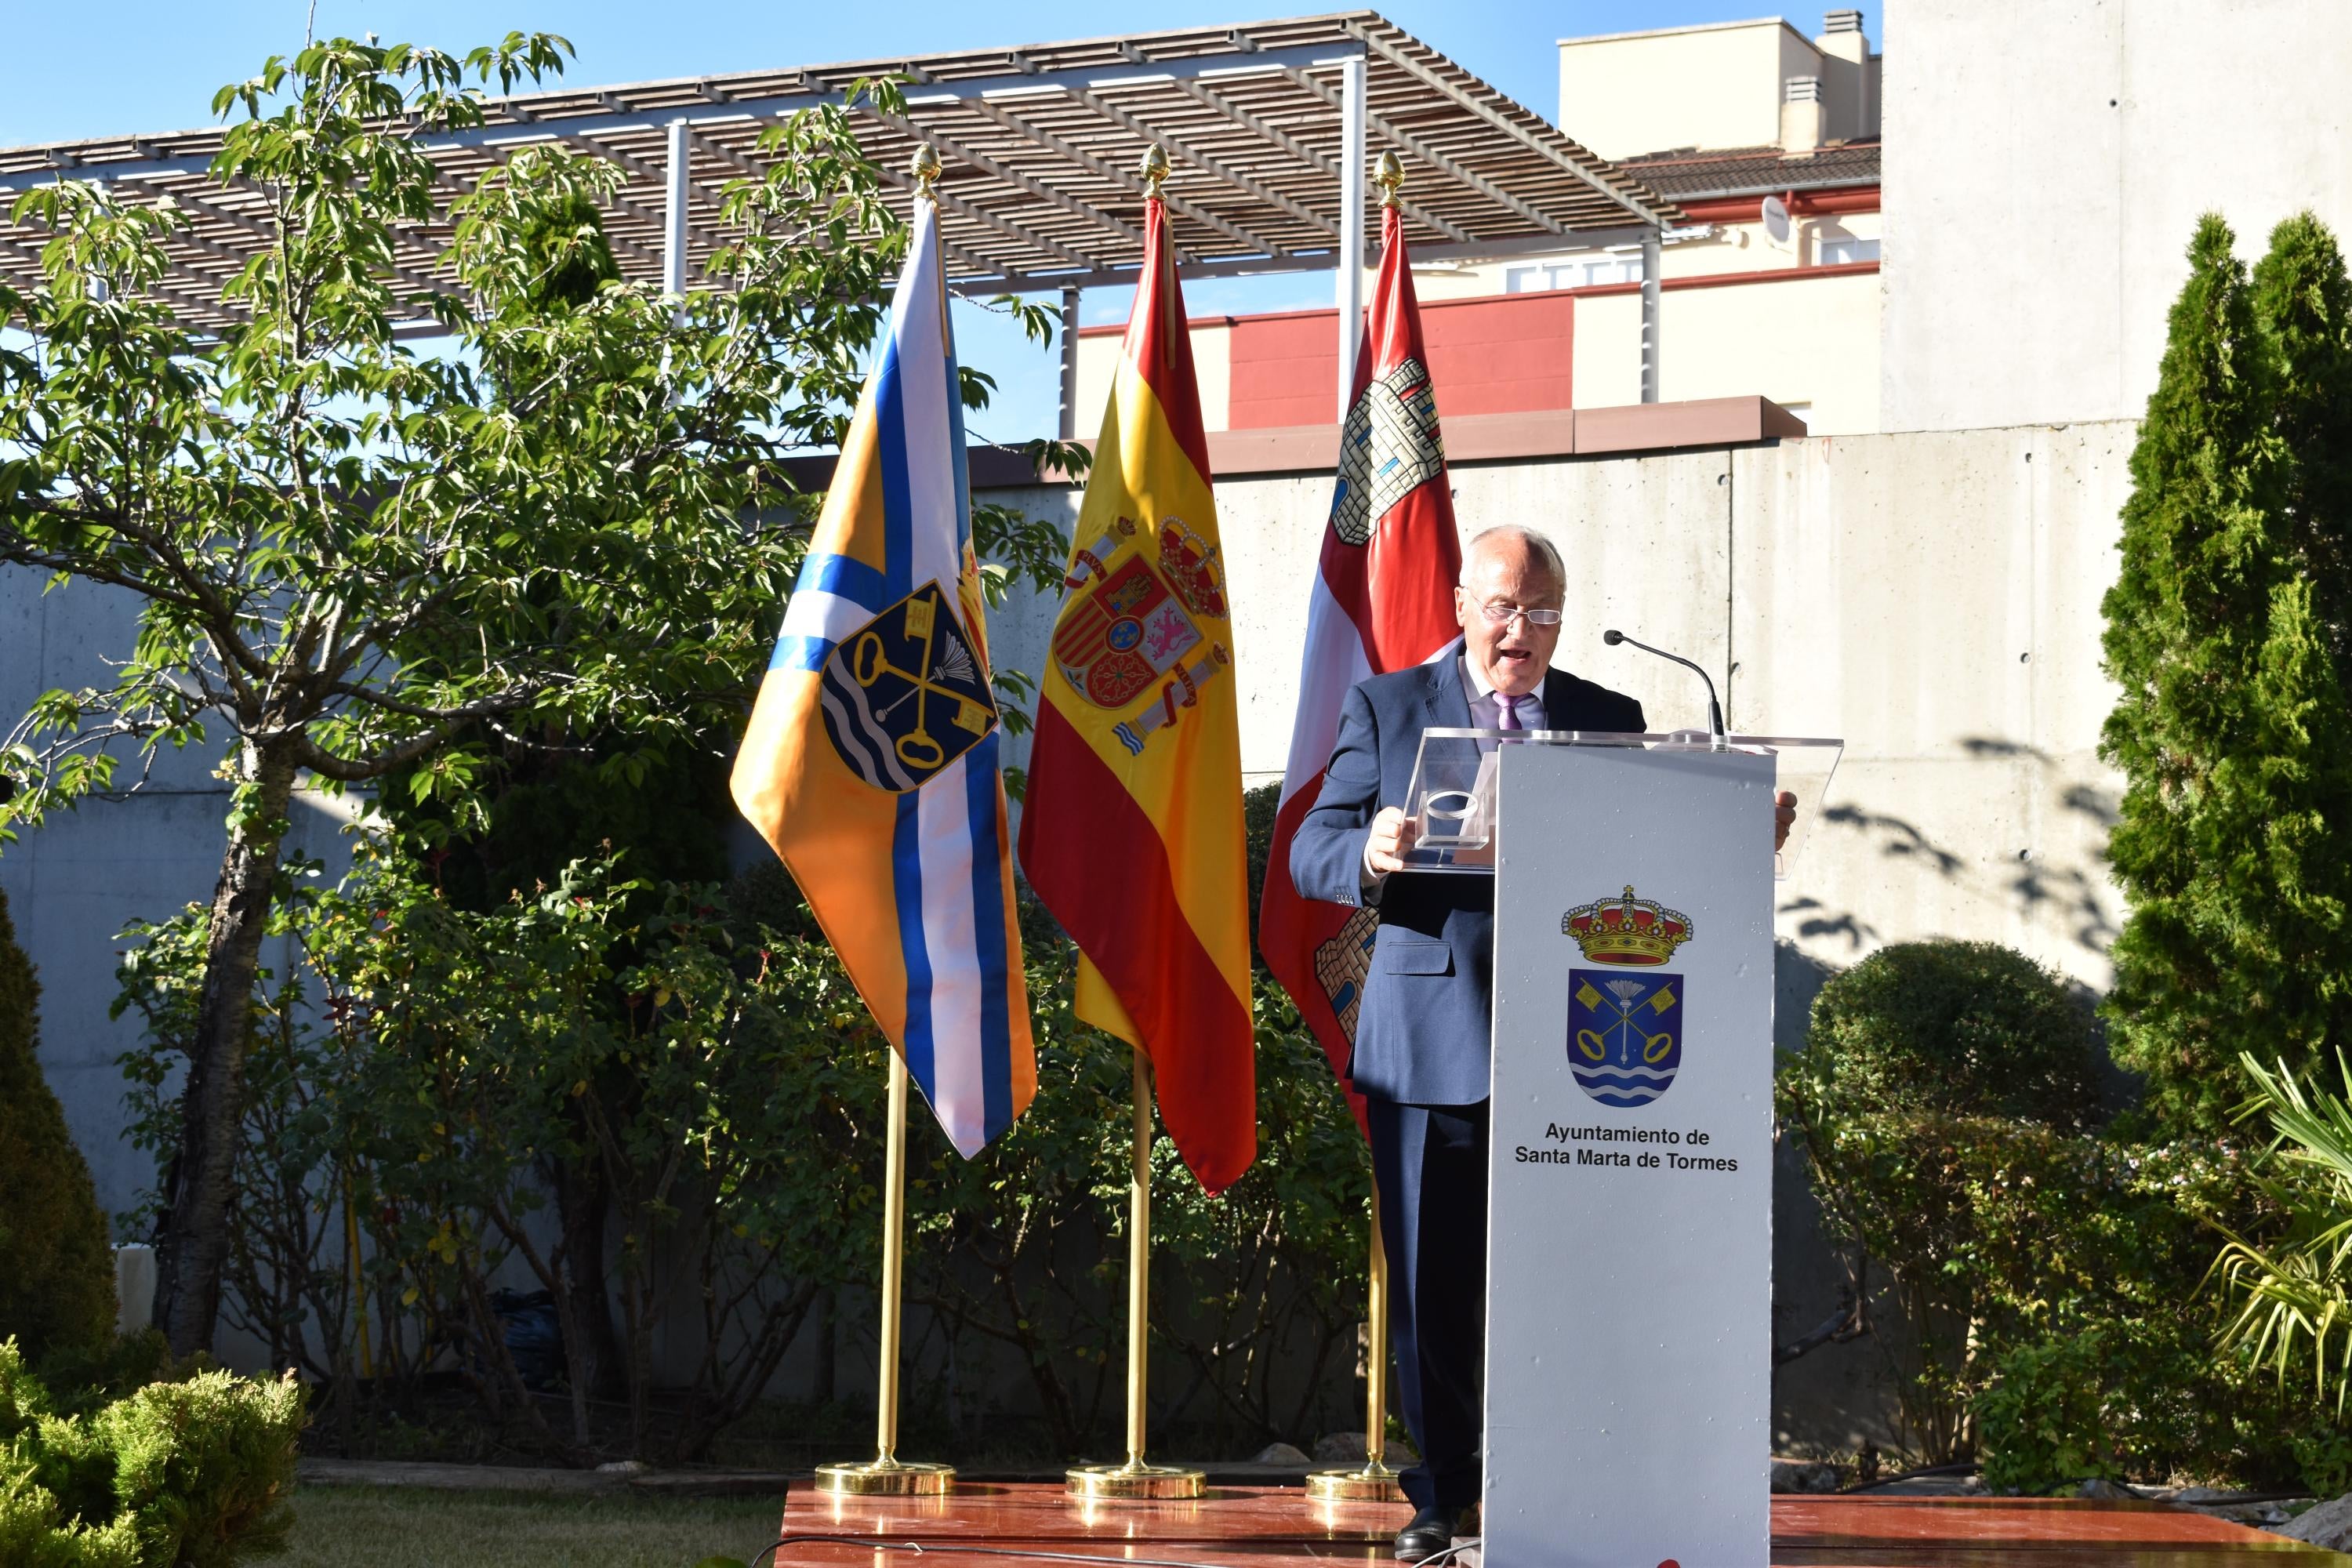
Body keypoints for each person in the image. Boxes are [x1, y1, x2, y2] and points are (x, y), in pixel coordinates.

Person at [1287, 524, 1793, 1559]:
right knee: (1436, 1283)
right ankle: (1444, 1496)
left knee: (1577, 1274)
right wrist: (1373, 848)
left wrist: (1742, 826)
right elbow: (1311, 846)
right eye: (1509, 607)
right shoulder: (1389, 706)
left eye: (1547, 613)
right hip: (1432, 1033)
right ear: (1465, 604)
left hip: (1579, 1041)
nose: (1527, 631)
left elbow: (1652, 842)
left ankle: (1571, 1480)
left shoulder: (1610, 716)